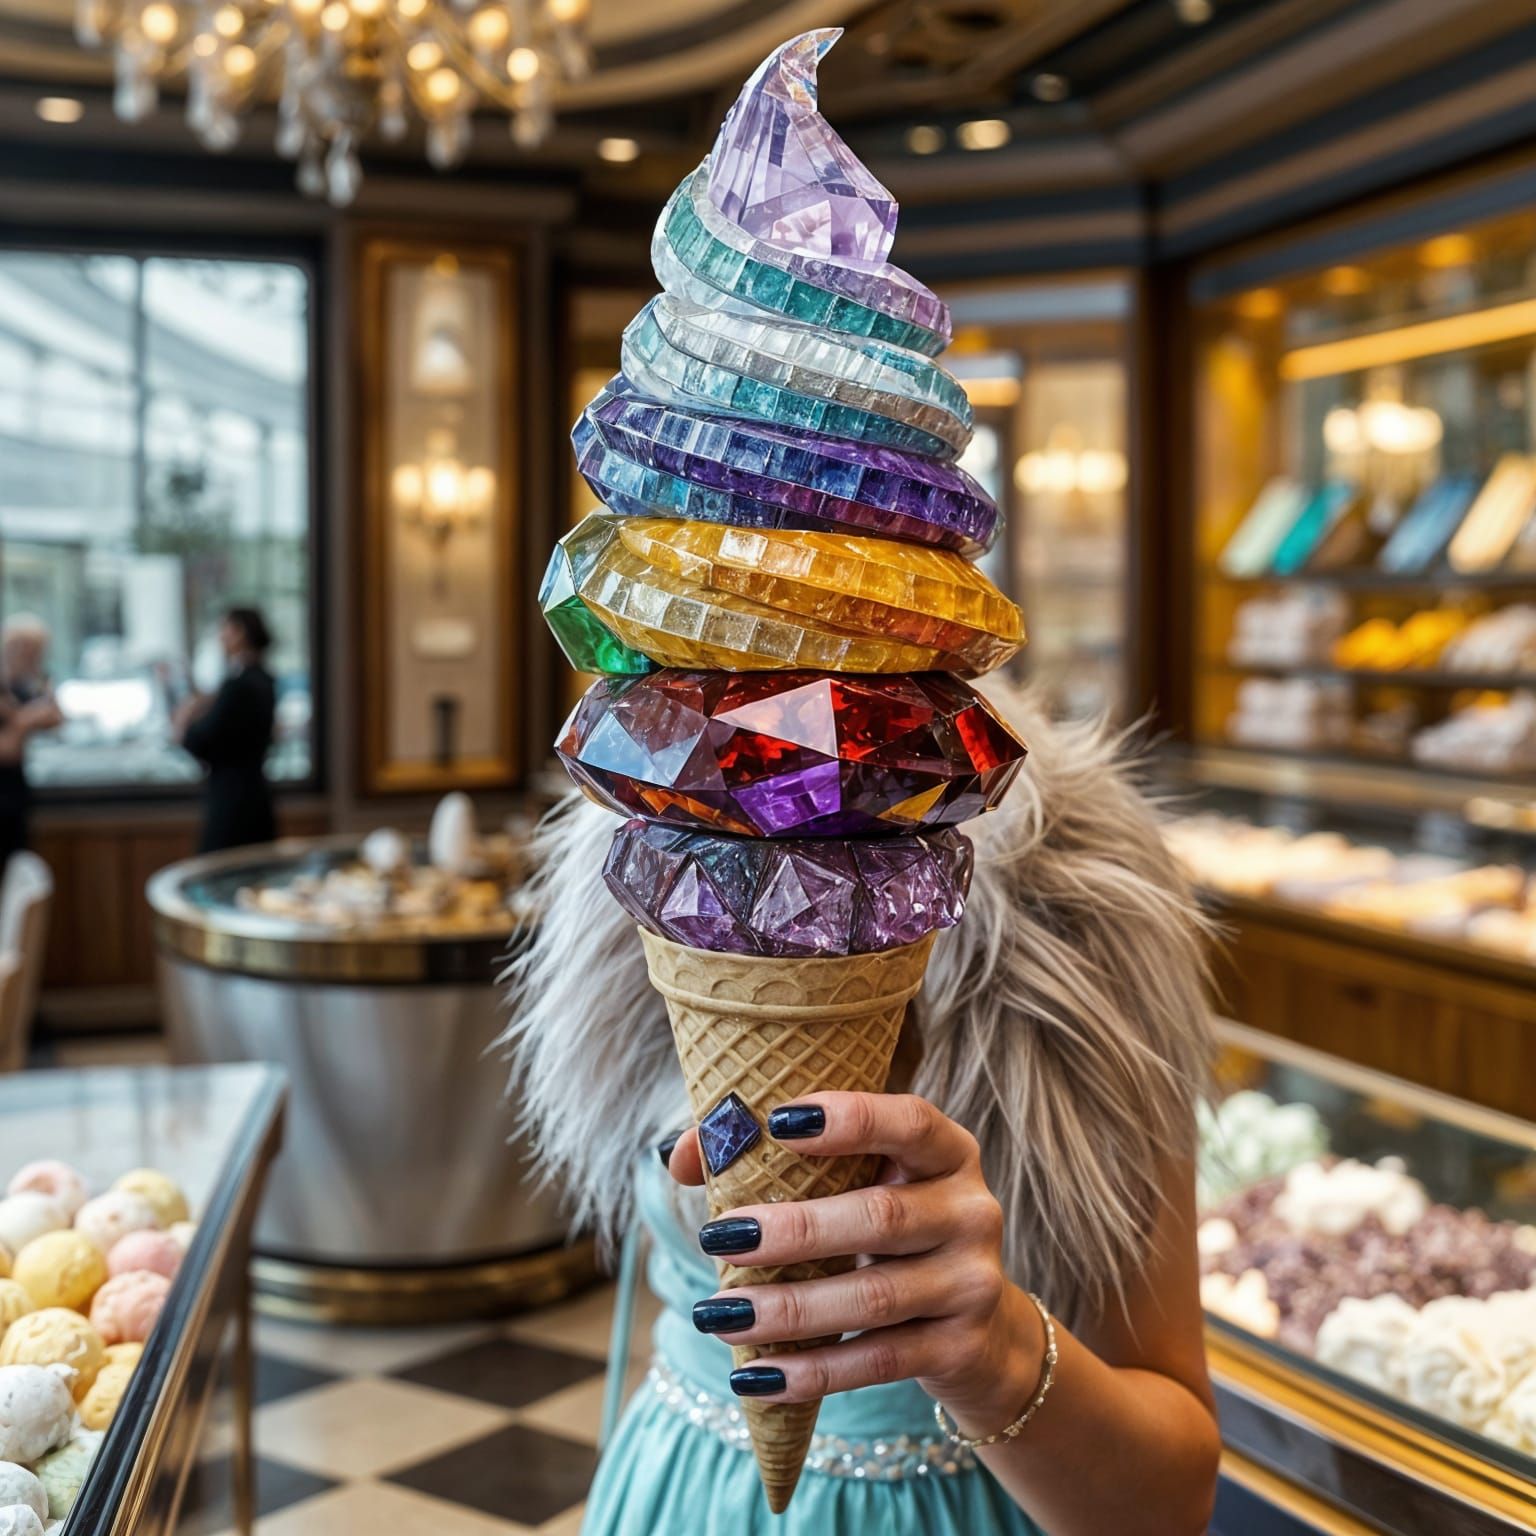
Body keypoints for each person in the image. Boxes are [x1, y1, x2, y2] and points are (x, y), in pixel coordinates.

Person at [504, 680, 1221, 1536]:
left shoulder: (1077, 891)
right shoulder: (649, 792)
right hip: (681, 1492)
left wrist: (997, 1354)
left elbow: (1173, 1504)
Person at [174, 607, 277, 855]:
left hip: (232, 801)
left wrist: (186, 716)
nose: (221, 636)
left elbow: (199, 740)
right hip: (255, 795)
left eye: (225, 629)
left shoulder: (239, 686)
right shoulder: (262, 679)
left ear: (240, 633)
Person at [0, 616, 63, 869]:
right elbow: (8, 750)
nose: (31, 656)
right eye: (26, 648)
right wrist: (24, 722)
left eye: (37, 651)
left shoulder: (21, 684)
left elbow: (55, 718)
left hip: (14, 792)